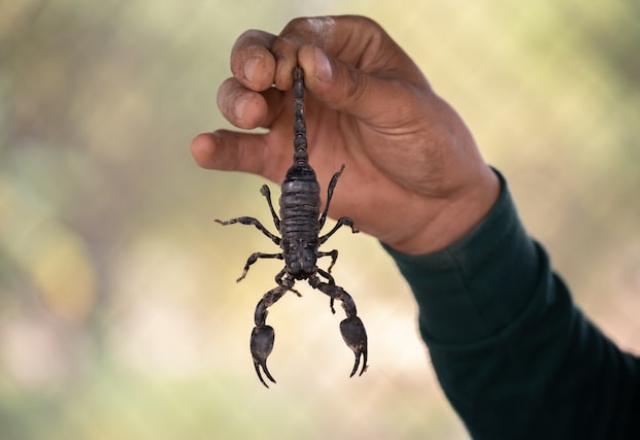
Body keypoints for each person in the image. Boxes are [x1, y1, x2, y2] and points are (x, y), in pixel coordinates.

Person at [190, 15, 639, 439]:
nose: (305, 281)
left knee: (284, 294)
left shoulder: (294, 270)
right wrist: (449, 222)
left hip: (296, 204)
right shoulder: (322, 264)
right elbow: (580, 416)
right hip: (305, 202)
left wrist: (444, 224)